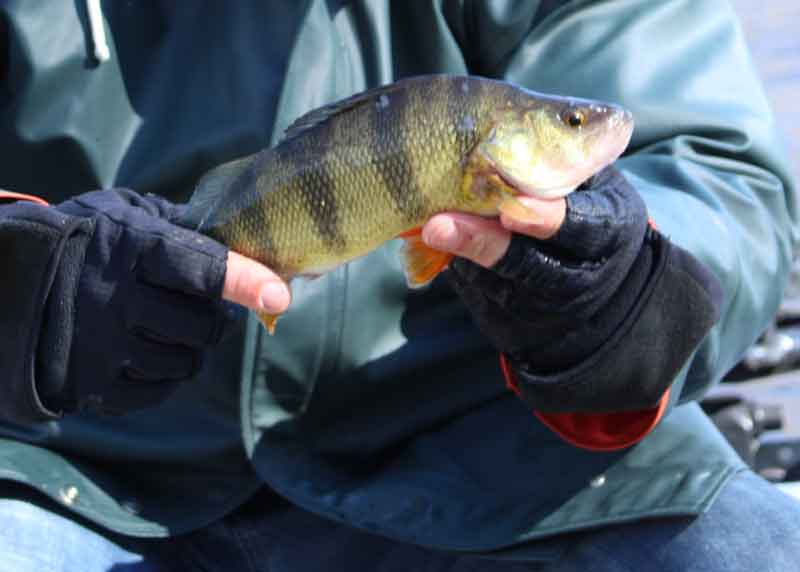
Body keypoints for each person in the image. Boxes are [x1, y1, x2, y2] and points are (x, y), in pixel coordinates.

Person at [1, 0, 798, 570]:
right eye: (570, 123)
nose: (585, 127)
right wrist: (19, 278)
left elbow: (715, 171)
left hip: (483, 452)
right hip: (73, 464)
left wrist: (636, 282)